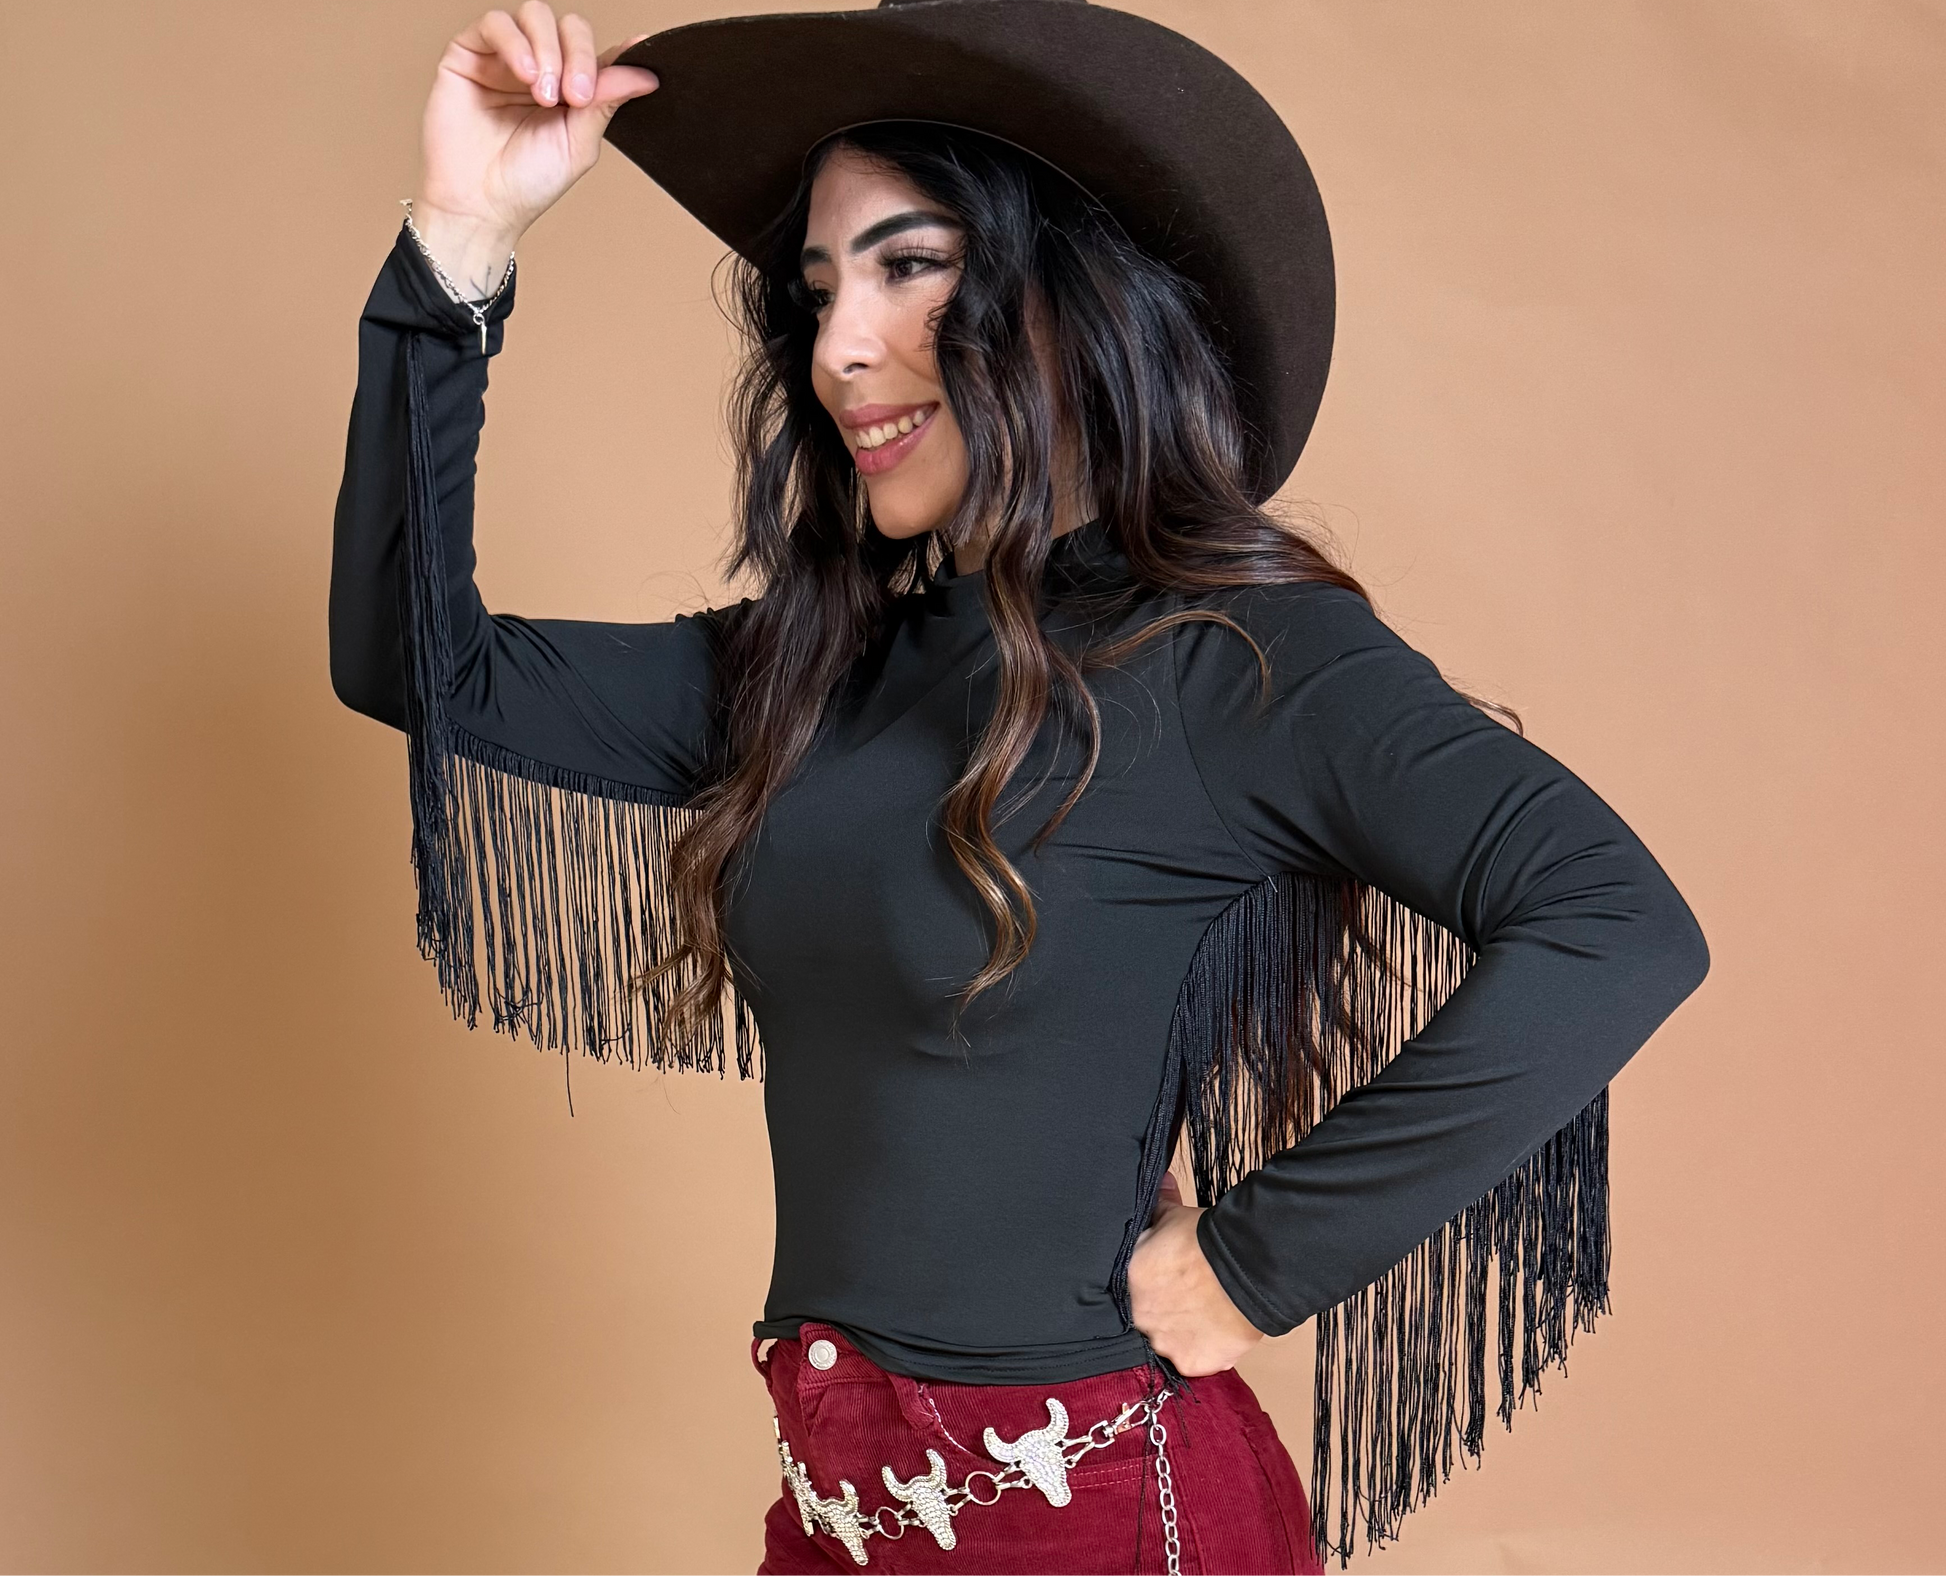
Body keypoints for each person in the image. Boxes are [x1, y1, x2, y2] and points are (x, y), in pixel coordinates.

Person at [328, 3, 1710, 1570]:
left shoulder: (1236, 658)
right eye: (820, 290)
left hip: (1097, 1505)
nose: (839, 347)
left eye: (909, 267)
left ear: (1070, 293)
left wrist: (1258, 1262)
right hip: (841, 1504)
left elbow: (1614, 924)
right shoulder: (812, 667)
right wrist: (460, 242)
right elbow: (415, 666)